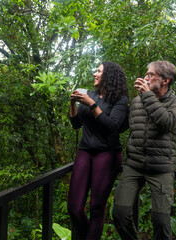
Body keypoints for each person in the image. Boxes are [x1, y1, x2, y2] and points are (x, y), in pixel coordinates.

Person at [112, 60, 176, 240]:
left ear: (165, 80)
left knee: (160, 221)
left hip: (161, 168)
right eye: (146, 74)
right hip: (134, 165)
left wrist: (147, 95)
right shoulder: (136, 102)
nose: (146, 77)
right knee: (119, 214)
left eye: (150, 75)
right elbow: (121, 126)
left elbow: (167, 123)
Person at [68, 61, 129, 240]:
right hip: (85, 151)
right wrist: (73, 103)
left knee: (96, 208)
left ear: (109, 76)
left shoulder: (120, 100)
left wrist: (92, 105)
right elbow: (76, 124)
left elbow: (113, 126)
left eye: (99, 71)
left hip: (107, 153)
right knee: (74, 207)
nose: (94, 74)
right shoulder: (90, 94)